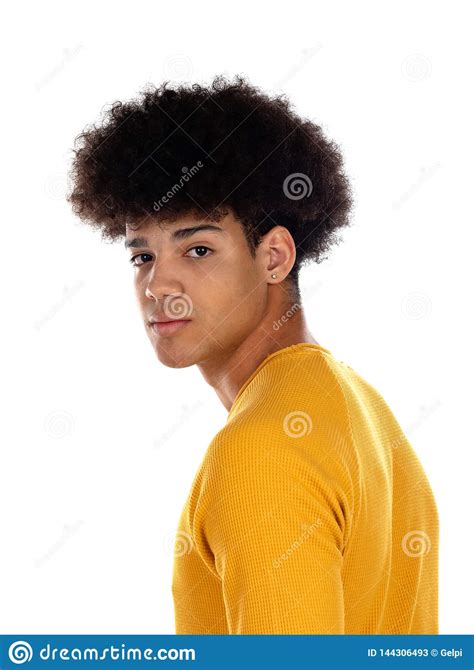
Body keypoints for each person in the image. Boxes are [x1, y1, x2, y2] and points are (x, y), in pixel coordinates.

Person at [67, 74, 438, 634]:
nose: (158, 284)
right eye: (141, 256)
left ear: (274, 257)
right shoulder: (361, 408)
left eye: (197, 249)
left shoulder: (262, 449)